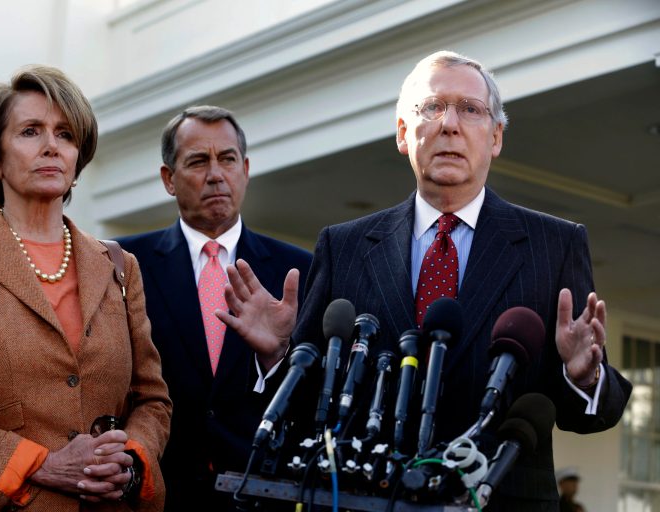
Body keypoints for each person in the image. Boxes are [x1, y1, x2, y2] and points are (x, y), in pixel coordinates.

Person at [218, 51, 632, 511]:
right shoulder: (345, 245)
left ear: (495, 138)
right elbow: (308, 410)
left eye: (470, 110)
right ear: (402, 134)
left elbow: (593, 415)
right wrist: (279, 356)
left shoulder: (555, 245)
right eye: (432, 108)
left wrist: (584, 375)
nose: (449, 125)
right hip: (362, 500)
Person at [0, 65, 172, 511]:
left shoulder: (120, 266)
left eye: (65, 135)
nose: (50, 147)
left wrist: (131, 460)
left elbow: (152, 399)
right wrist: (36, 464)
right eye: (30, 132)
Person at [117, 106, 312, 511]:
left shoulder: (300, 269)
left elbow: (316, 394)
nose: (215, 174)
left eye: (226, 159)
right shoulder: (122, 263)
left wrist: (276, 355)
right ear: (168, 179)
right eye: (197, 161)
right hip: (157, 492)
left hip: (260, 492)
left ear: (245, 168)